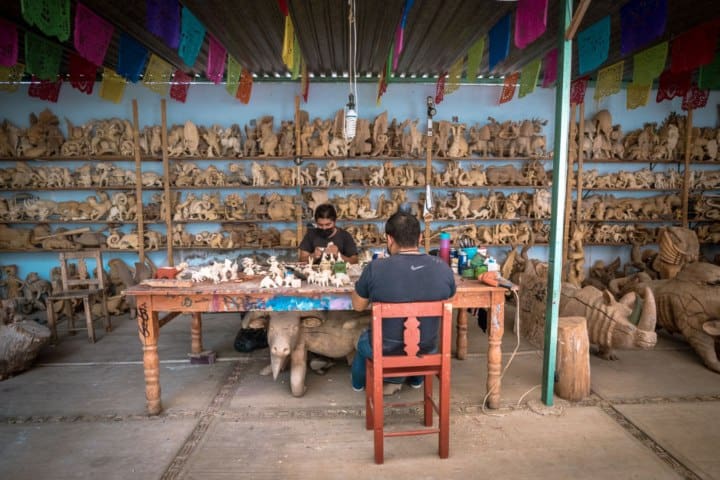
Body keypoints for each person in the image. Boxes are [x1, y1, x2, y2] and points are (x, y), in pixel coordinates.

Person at [350, 211, 456, 393]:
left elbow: (358, 306)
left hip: (384, 349)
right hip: (427, 348)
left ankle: (359, 385)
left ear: (389, 239)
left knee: (362, 342)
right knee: (419, 340)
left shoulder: (375, 268)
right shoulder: (443, 268)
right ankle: (416, 379)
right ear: (420, 238)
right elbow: (450, 300)